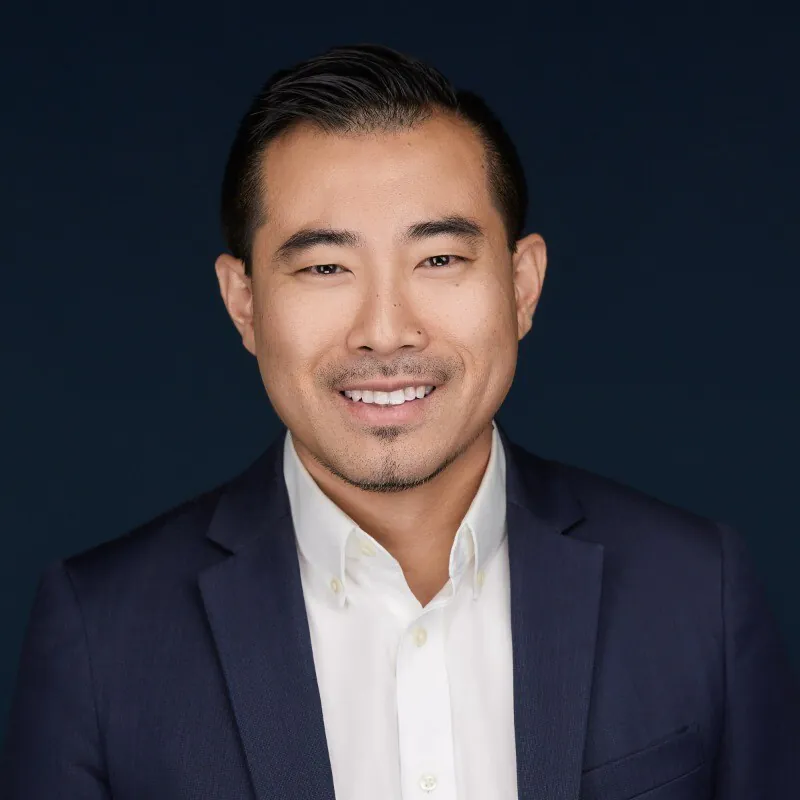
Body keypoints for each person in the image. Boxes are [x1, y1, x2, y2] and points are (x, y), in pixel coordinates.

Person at [2, 43, 798, 800]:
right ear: (243, 303)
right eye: (325, 267)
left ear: (522, 285)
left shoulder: (698, 590)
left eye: (439, 259)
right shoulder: (101, 635)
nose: (385, 331)